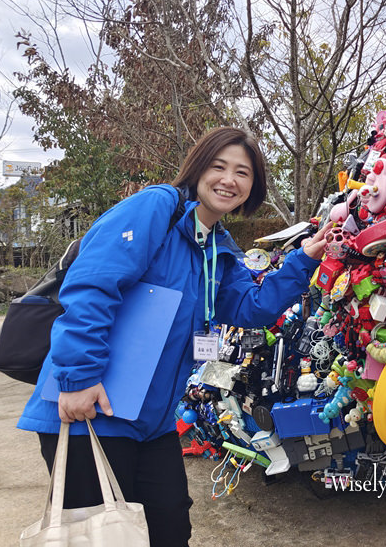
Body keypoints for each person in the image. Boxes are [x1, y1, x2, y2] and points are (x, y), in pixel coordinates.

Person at [17, 127, 329, 546]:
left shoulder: (219, 246)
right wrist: (79, 379)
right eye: (219, 166)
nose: (229, 180)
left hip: (153, 422)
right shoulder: (156, 208)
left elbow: (251, 307)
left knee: (170, 530)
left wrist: (304, 259)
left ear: (252, 186)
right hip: (92, 411)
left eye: (243, 172)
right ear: (198, 168)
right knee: (100, 536)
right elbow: (92, 286)